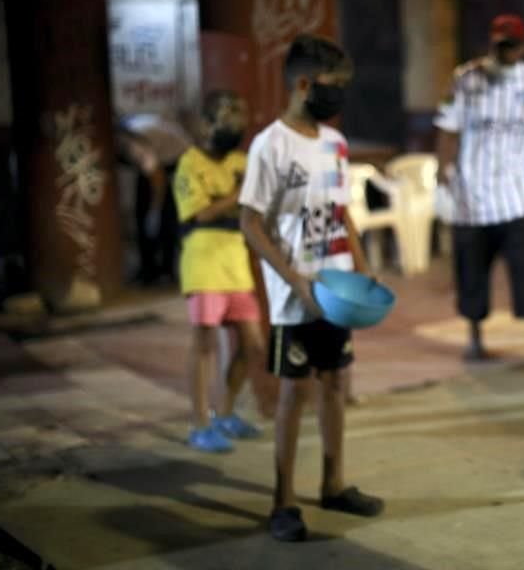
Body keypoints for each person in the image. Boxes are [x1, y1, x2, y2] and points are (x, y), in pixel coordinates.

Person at [239, 34, 383, 542]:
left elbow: (342, 213)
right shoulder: (270, 145)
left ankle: (333, 482)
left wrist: (363, 268)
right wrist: (292, 278)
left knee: (335, 385)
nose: (339, 96)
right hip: (293, 297)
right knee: (295, 393)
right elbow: (250, 222)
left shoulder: (335, 144)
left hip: (336, 290)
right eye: (334, 86)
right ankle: (282, 500)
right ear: (304, 84)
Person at [435, 13, 524, 367]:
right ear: (491, 44)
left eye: (512, 46)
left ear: (523, 47)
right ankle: (475, 340)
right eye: (500, 46)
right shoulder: (464, 80)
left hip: (517, 194)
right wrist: (443, 180)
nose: (505, 52)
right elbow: (448, 132)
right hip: (472, 195)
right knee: (472, 271)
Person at [173, 90, 264, 452]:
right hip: (203, 260)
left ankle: (224, 412)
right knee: (205, 343)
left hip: (235, 261)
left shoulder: (242, 161)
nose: (233, 129)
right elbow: (200, 214)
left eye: (238, 122)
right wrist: (238, 196)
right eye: (225, 120)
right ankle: (199, 424)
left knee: (253, 344)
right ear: (206, 124)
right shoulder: (189, 163)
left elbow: (253, 209)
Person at [118, 112, 191, 284]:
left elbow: (157, 178)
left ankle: (162, 272)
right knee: (144, 207)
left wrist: (155, 211)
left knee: (163, 218)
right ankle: (150, 268)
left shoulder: (133, 143)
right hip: (166, 153)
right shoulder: (127, 129)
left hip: (177, 160)